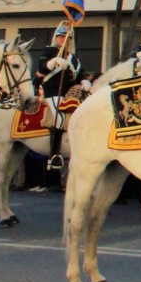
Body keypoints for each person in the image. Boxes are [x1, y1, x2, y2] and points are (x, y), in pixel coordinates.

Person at [36, 23, 88, 173]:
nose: (64, 39)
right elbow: (41, 67)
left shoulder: (73, 57)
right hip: (53, 91)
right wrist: (53, 63)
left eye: (67, 37)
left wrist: (84, 80)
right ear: (56, 38)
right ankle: (54, 155)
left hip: (70, 92)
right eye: (61, 36)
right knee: (59, 117)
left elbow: (79, 73)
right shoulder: (50, 51)